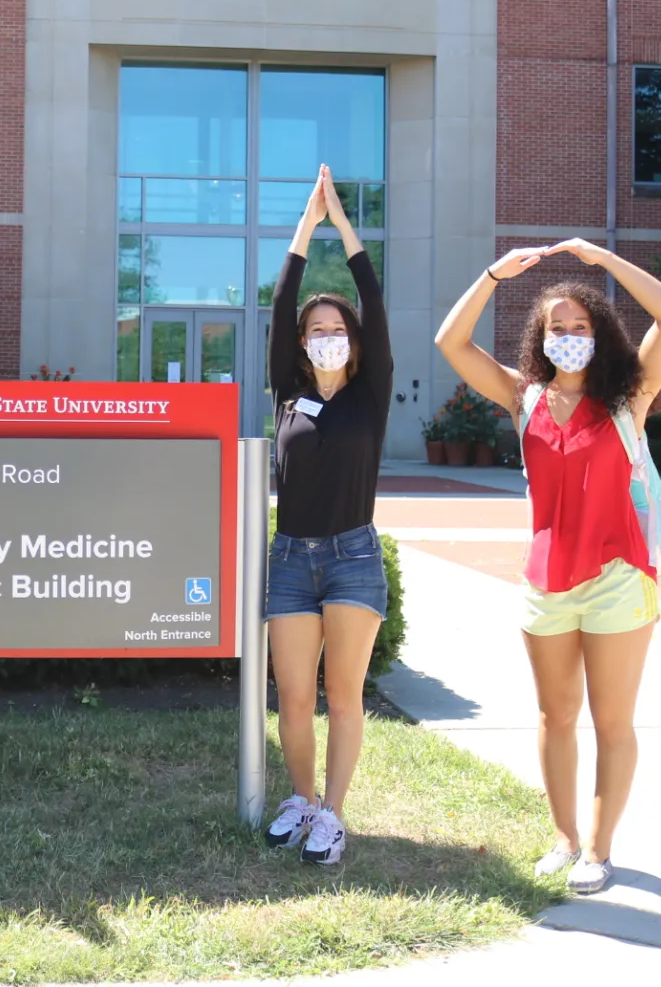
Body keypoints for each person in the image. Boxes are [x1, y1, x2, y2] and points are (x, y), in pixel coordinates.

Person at [434, 239, 661, 894]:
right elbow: (449, 342)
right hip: (544, 580)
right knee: (553, 719)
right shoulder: (524, 399)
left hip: (618, 576)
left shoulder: (628, 396)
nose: (569, 337)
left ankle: (598, 851)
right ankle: (563, 839)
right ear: (540, 339)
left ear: (598, 335)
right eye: (557, 329)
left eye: (579, 327)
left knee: (611, 722)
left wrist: (603, 261)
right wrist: (492, 274)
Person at [262, 165, 392, 867]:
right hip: (289, 559)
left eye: (335, 328)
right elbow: (279, 305)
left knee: (342, 696)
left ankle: (333, 815)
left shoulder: (369, 395)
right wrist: (301, 232)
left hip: (350, 557)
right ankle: (301, 799)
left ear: (352, 339)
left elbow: (371, 299)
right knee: (291, 698)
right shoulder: (286, 390)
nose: (324, 336)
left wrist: (343, 229)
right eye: (315, 329)